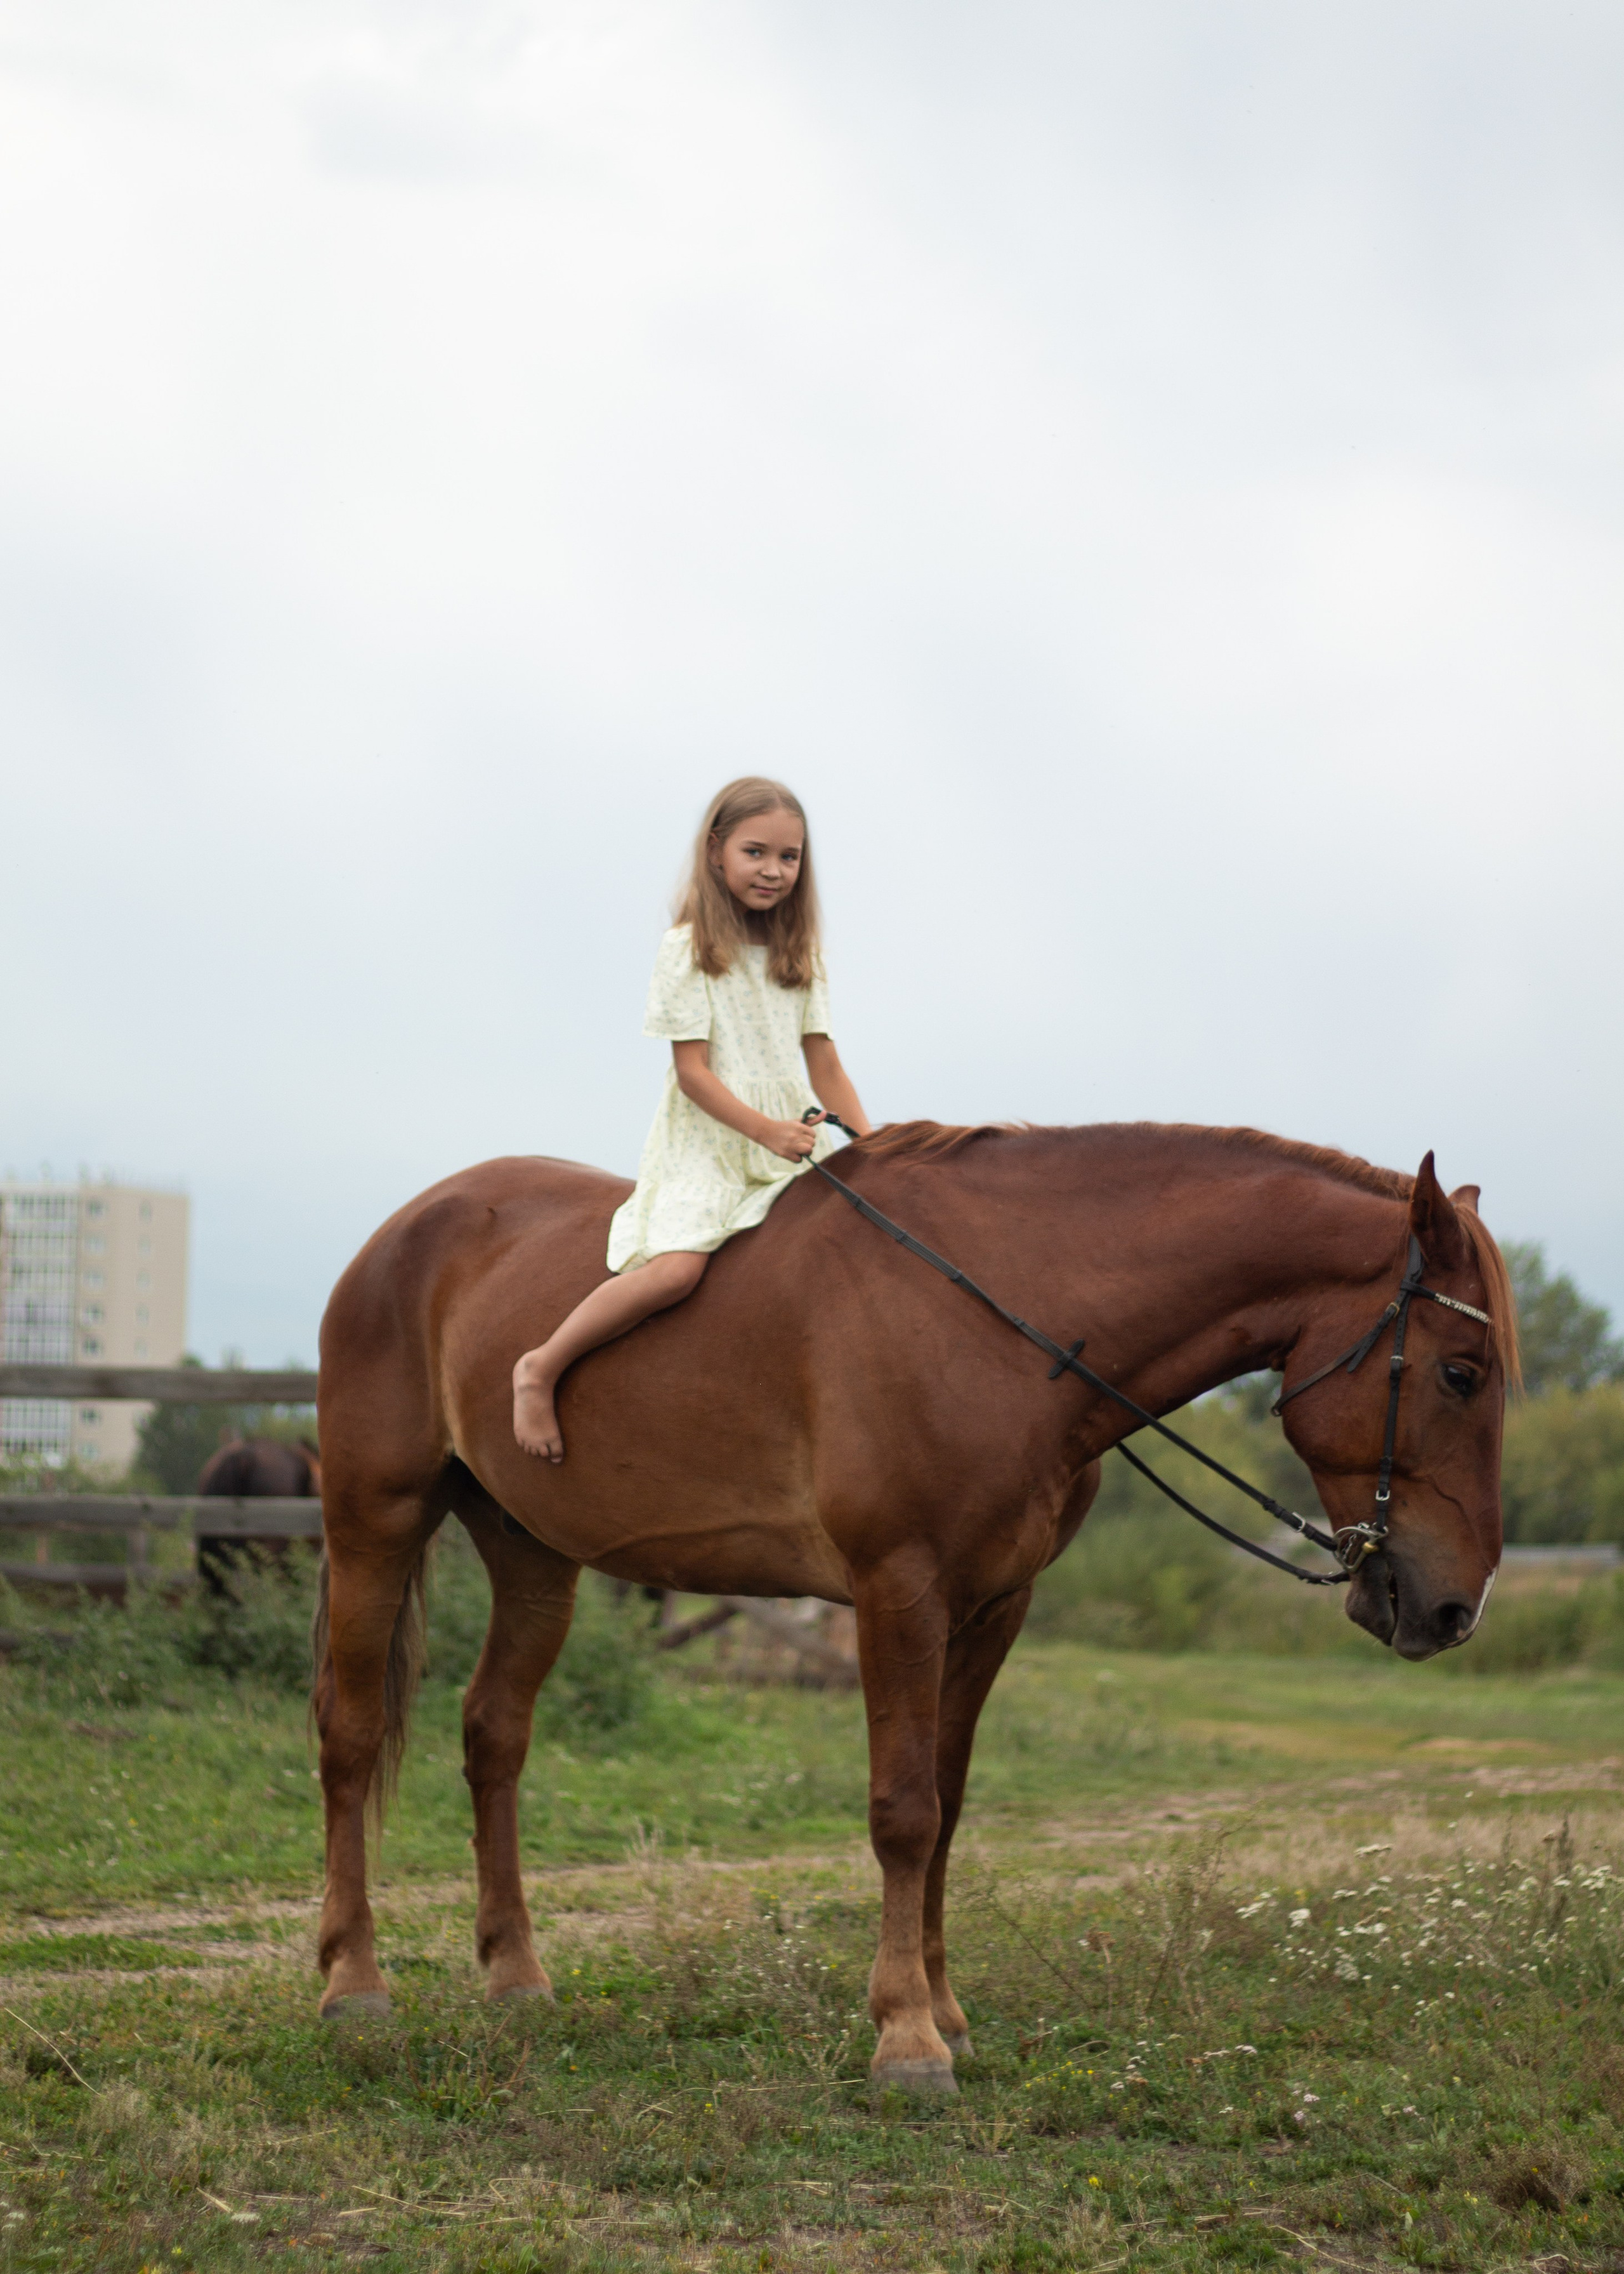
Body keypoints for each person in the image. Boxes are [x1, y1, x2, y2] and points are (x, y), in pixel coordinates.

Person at [513, 777, 872, 1460]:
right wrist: (765, 1130)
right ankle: (541, 1366)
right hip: (711, 1143)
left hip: (793, 1142)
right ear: (716, 852)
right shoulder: (688, 949)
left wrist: (873, 1152)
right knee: (677, 1271)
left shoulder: (802, 957)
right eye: (755, 852)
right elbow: (693, 1074)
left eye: (789, 857)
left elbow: (825, 1064)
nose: (773, 870)